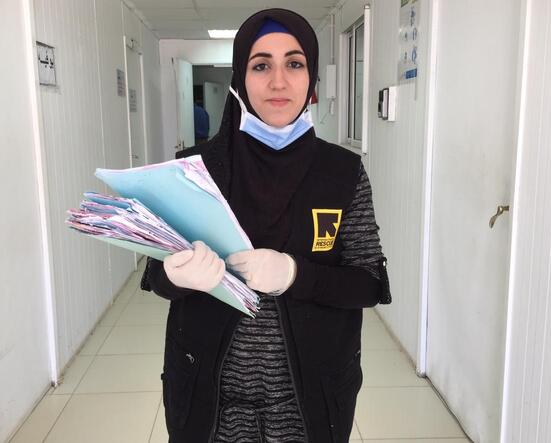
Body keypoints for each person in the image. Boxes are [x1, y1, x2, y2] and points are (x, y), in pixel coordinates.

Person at [140, 8, 391, 443]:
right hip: (210, 400)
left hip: (309, 401)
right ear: (241, 78)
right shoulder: (195, 170)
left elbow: (370, 282)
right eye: (261, 65)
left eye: (294, 64)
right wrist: (176, 276)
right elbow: (156, 277)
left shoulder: (343, 172)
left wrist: (295, 273)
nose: (279, 81)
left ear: (311, 77)